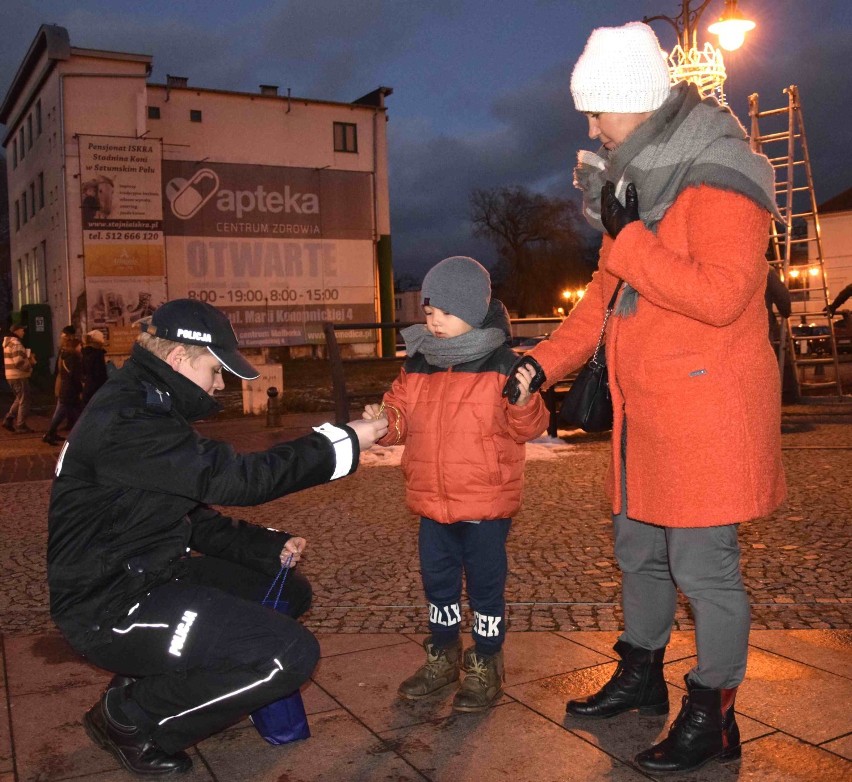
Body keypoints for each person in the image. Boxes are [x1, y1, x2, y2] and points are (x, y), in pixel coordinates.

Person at [503, 22, 786, 774]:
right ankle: (642, 676)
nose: (591, 128)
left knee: (704, 569)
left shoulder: (722, 178)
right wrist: (541, 364)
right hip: (644, 414)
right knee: (640, 554)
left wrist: (632, 244)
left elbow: (723, 297)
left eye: (598, 112)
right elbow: (602, 298)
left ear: (638, 103)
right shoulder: (636, 188)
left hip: (705, 413)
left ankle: (713, 713)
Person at [47, 298, 387, 776]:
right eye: (215, 370)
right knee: (288, 654)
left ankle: (152, 681)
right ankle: (130, 717)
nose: (219, 384)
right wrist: (344, 440)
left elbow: (189, 514)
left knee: (288, 589)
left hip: (150, 573)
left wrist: (266, 547)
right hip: (108, 605)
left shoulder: (145, 403)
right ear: (180, 357)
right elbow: (239, 480)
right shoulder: (130, 420)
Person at [364, 256, 549, 712]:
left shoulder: (504, 364)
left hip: (484, 504)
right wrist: (383, 421)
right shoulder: (419, 363)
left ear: (471, 309)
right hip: (432, 502)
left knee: (486, 590)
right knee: (439, 586)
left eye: (445, 312)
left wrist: (524, 401)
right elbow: (400, 415)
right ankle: (442, 657)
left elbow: (530, 426)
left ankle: (486, 662)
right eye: (429, 313)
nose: (435, 321)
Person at [43, 326, 84, 446]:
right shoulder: (72, 358)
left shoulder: (65, 354)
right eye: (79, 346)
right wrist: (80, 388)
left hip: (66, 388)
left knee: (67, 412)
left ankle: (51, 433)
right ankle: (50, 434)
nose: (81, 348)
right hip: (68, 389)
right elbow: (73, 375)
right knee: (63, 412)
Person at [3, 318, 37, 433]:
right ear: (16, 331)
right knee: (24, 400)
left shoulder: (8, 343)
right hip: (18, 375)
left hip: (10, 375)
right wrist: (30, 363)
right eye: (22, 330)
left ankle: (9, 419)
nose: (24, 332)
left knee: (19, 398)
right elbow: (18, 362)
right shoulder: (16, 343)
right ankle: (21, 425)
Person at [81, 328, 108, 405]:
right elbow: (100, 374)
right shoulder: (98, 354)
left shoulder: (85, 353)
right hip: (97, 389)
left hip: (88, 387)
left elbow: (83, 371)